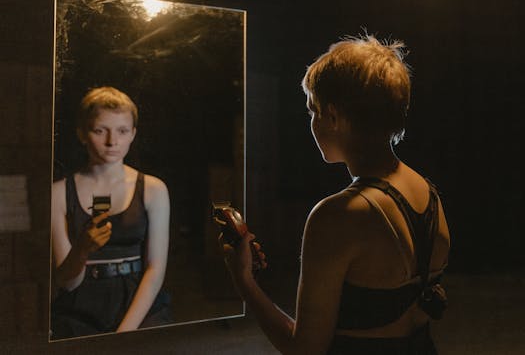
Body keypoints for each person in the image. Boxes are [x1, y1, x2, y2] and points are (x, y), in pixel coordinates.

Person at [222, 35, 450, 354]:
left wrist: (245, 282)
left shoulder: (339, 216)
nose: (312, 123)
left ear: (333, 116)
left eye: (313, 110)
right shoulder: (429, 195)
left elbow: (304, 349)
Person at [50, 86, 171, 339]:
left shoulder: (152, 189)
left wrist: (123, 335)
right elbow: (67, 282)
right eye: (99, 130)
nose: (112, 141)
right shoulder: (59, 193)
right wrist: (82, 249)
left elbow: (155, 270)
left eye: (122, 131)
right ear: (82, 133)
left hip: (140, 306)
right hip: (81, 309)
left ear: (133, 134)